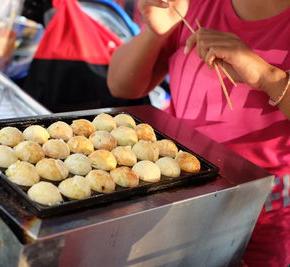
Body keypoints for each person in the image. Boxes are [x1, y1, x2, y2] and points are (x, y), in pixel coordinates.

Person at [107, 0, 290, 266]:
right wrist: (154, 33)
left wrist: (266, 77)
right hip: (178, 200)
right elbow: (121, 85)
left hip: (260, 218)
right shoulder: (192, 5)